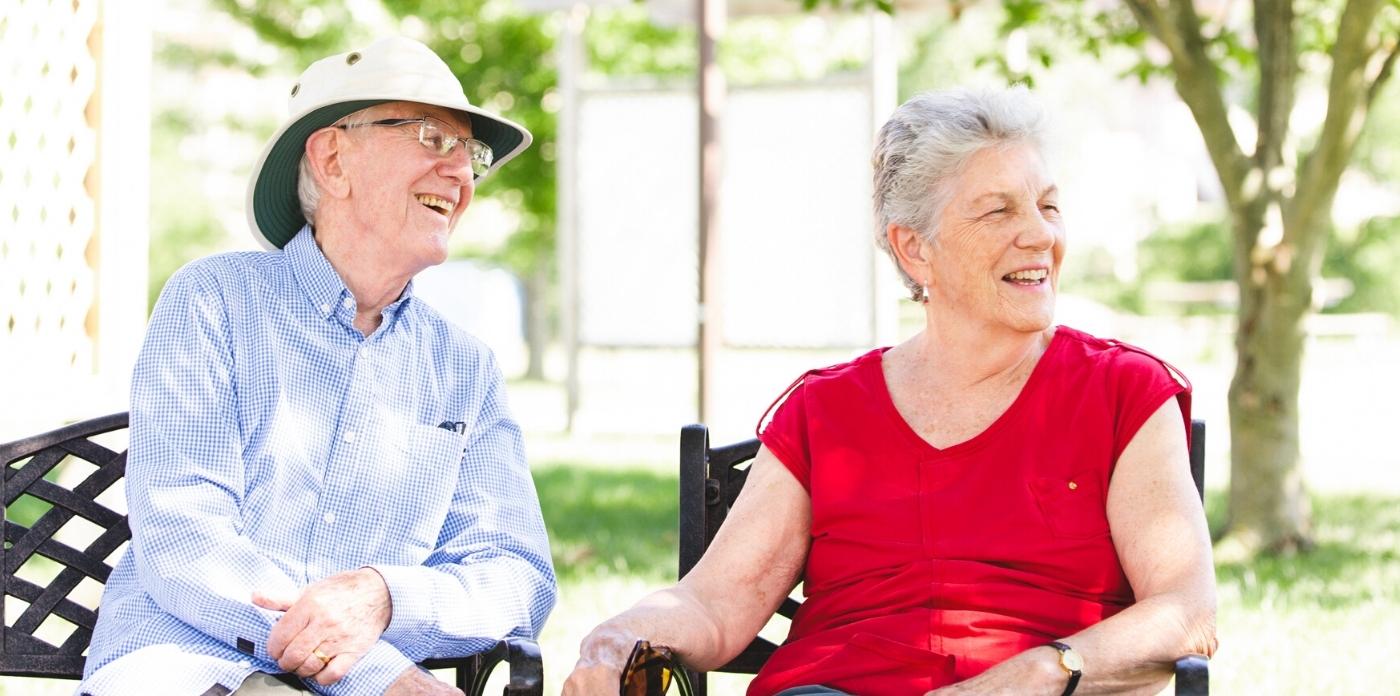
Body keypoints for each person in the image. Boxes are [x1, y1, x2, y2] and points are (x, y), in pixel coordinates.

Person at [564, 87, 1217, 695]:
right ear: (914, 249)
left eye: (1048, 206)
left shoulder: (1122, 393)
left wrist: (1040, 672)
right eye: (999, 210)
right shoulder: (825, 411)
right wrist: (615, 638)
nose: (1041, 235)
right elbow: (715, 602)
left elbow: (1185, 611)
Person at [80, 37, 556, 695]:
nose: (462, 174)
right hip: (190, 667)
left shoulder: (463, 369)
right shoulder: (213, 302)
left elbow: (515, 572)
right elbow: (188, 537)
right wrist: (371, 670)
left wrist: (388, 597)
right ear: (333, 158)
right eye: (432, 138)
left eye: (469, 154)